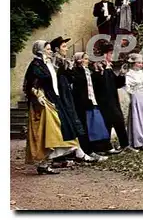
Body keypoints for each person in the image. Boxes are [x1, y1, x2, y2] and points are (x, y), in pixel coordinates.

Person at [23, 41, 82, 174]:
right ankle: (44, 163)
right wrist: (38, 96)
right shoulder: (36, 65)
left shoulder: (47, 64)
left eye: (50, 49)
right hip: (43, 101)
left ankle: (47, 163)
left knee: (58, 128)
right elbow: (31, 84)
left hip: (52, 98)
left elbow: (54, 80)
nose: (50, 51)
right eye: (48, 49)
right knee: (50, 131)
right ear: (40, 51)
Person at [92, 42, 137, 153]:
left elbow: (116, 84)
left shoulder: (109, 67)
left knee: (119, 122)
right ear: (105, 54)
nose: (112, 56)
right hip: (104, 101)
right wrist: (102, 71)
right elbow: (98, 84)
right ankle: (105, 147)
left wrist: (122, 74)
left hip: (113, 100)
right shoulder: (98, 67)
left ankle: (124, 145)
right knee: (108, 123)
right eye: (111, 53)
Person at [72, 52, 117, 160]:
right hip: (82, 103)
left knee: (95, 126)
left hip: (92, 101)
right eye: (85, 59)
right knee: (86, 127)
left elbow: (94, 84)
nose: (88, 61)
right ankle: (88, 151)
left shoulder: (88, 71)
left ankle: (96, 148)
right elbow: (79, 85)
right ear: (80, 60)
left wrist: (99, 72)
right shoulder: (76, 71)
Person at [49, 36, 86, 142]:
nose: (67, 48)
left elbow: (71, 79)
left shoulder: (64, 62)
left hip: (66, 92)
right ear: (56, 49)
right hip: (60, 95)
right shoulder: (55, 61)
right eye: (64, 46)